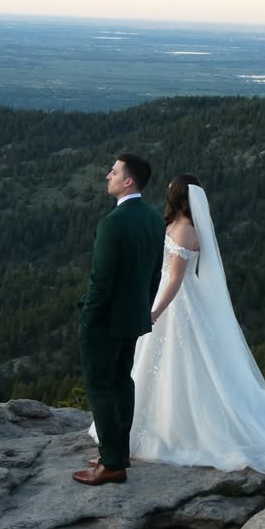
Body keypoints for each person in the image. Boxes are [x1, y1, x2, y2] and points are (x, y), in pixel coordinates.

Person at [90, 174, 265, 474]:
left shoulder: (184, 231)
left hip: (176, 303)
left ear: (176, 196)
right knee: (162, 364)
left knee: (177, 364)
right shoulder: (181, 226)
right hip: (176, 300)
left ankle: (171, 429)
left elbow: (175, 279)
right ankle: (147, 426)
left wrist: (155, 310)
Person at [72, 154, 165, 486]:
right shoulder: (155, 219)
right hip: (133, 317)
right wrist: (143, 307)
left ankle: (112, 464)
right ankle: (119, 452)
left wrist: (87, 318)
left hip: (106, 320)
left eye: (113, 172)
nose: (106, 176)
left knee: (100, 386)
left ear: (128, 181)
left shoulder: (112, 223)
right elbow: (156, 274)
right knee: (122, 381)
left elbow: (101, 280)